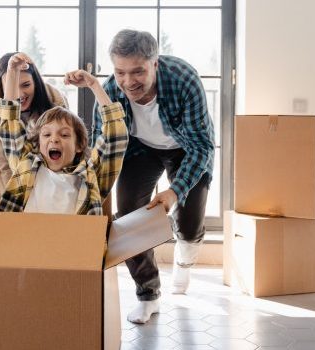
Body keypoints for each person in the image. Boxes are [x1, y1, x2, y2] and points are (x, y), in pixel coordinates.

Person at [91, 29, 215, 324]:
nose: (128, 81)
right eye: (120, 72)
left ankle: (185, 256)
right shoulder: (110, 91)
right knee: (129, 218)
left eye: (138, 71)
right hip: (139, 149)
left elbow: (202, 146)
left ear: (155, 64)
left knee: (188, 223)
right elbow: (100, 143)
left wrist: (174, 192)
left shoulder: (184, 79)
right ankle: (148, 295)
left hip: (185, 147)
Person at [0, 53, 128, 215]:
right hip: (27, 238)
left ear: (79, 145)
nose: (54, 139)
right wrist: (12, 71)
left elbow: (116, 138)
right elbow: (10, 125)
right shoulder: (26, 166)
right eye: (46, 135)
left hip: (72, 240)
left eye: (64, 135)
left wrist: (94, 85)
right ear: (38, 143)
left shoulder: (90, 176)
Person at [0, 52, 69, 193]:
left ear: (35, 82)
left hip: (51, 176)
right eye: (11, 86)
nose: (20, 94)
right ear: (1, 86)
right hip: (17, 175)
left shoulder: (55, 99)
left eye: (26, 85)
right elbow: (1, 161)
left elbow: (64, 154)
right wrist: (13, 199)